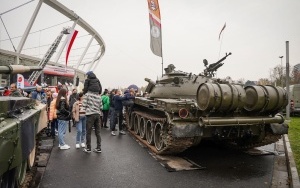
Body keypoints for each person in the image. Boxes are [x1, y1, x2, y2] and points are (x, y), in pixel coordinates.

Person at [82, 73, 103, 153]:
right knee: (98, 132)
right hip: (98, 114)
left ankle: (88, 148)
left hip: (90, 115)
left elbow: (84, 105)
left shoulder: (87, 95)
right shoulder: (99, 96)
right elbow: (101, 107)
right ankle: (99, 148)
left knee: (88, 132)